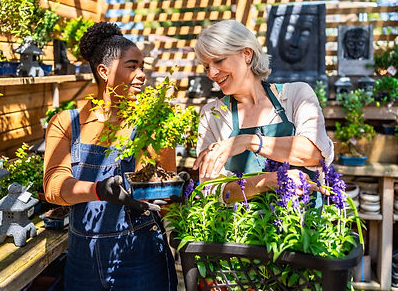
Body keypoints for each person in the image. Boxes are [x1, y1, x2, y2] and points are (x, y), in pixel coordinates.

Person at [43, 22, 178, 290]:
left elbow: (165, 191)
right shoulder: (67, 123)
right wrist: (98, 190)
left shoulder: (151, 123)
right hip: (84, 260)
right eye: (132, 66)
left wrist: (170, 193)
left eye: (142, 67)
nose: (141, 75)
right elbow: (53, 187)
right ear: (104, 71)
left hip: (142, 257)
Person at [192, 20, 334, 203]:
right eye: (206, 66)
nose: (211, 73)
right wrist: (269, 181)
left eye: (218, 60)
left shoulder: (296, 95)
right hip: (243, 230)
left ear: (247, 54)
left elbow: (315, 153)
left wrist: (247, 141)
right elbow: (213, 191)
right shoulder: (212, 115)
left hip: (304, 227)